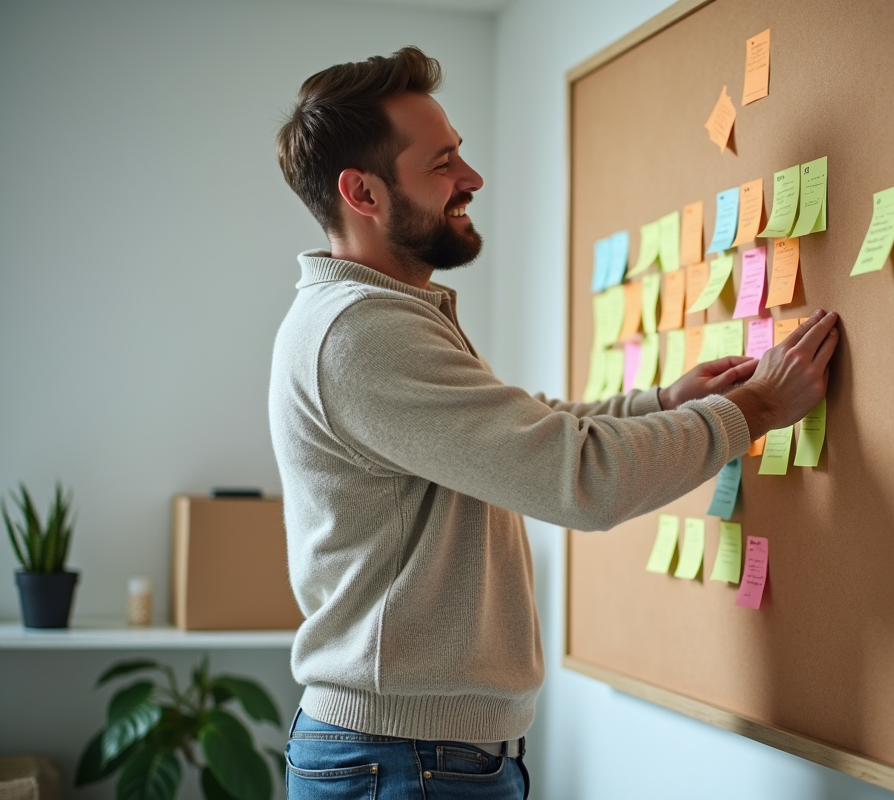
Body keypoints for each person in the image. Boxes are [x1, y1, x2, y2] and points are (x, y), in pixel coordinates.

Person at [268, 46, 839, 800]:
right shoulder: (361, 332)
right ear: (362, 192)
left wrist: (661, 404)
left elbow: (523, 427)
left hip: (414, 753)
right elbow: (577, 480)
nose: (471, 179)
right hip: (406, 758)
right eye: (443, 163)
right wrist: (756, 409)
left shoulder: (374, 316)